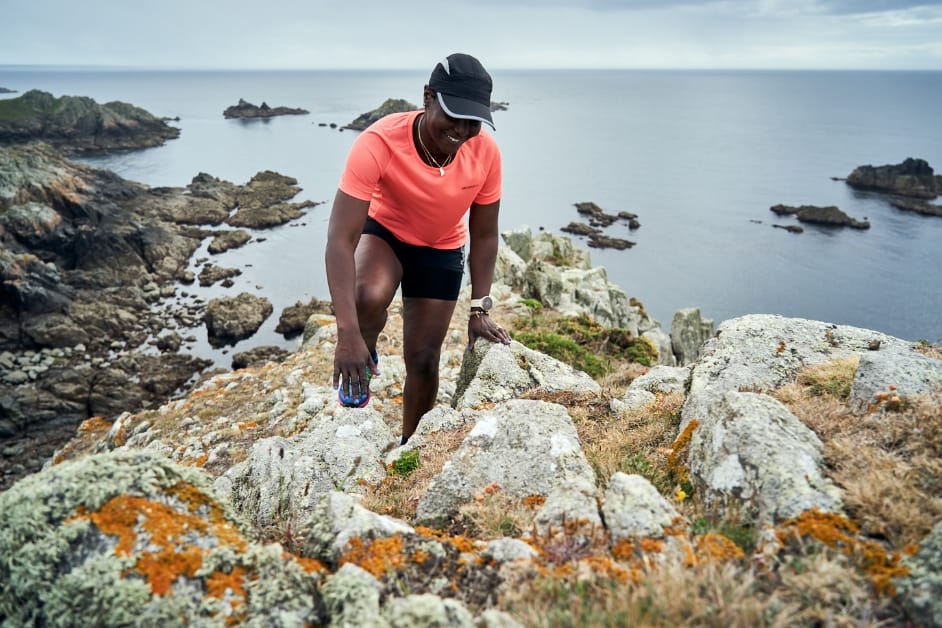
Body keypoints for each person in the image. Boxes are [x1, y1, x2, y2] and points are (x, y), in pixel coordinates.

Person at [325, 52, 511, 445]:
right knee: (367, 296)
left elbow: (486, 234)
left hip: (440, 248)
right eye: (453, 114)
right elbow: (340, 241)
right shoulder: (378, 142)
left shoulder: (486, 154)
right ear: (427, 98)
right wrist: (348, 335)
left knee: (424, 361)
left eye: (473, 120)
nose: (461, 130)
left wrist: (480, 307)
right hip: (386, 235)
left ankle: (411, 449)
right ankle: (366, 349)